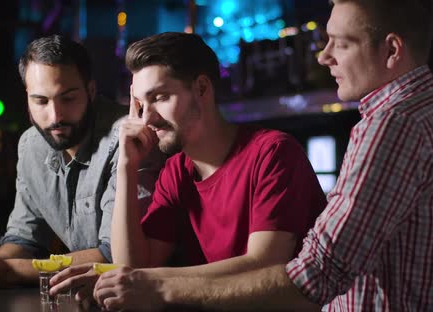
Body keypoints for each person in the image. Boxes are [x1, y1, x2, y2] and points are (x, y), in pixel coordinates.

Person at [84, 1, 433, 311]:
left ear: (392, 49)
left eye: (339, 43)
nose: (323, 56)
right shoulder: (432, 110)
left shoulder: (394, 125)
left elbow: (314, 277)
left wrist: (157, 286)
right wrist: (127, 166)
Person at [49, 32, 326, 306]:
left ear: (202, 89)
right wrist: (126, 166)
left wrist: (153, 283)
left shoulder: (273, 152)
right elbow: (133, 266)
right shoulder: (176, 171)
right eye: (139, 105)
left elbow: (264, 266)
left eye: (159, 97)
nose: (147, 118)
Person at [0, 34, 165, 289]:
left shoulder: (129, 139)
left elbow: (114, 257)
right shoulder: (31, 144)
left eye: (67, 98)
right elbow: (25, 238)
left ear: (91, 91)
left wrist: (4, 270)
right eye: (41, 100)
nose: (55, 116)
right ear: (27, 98)